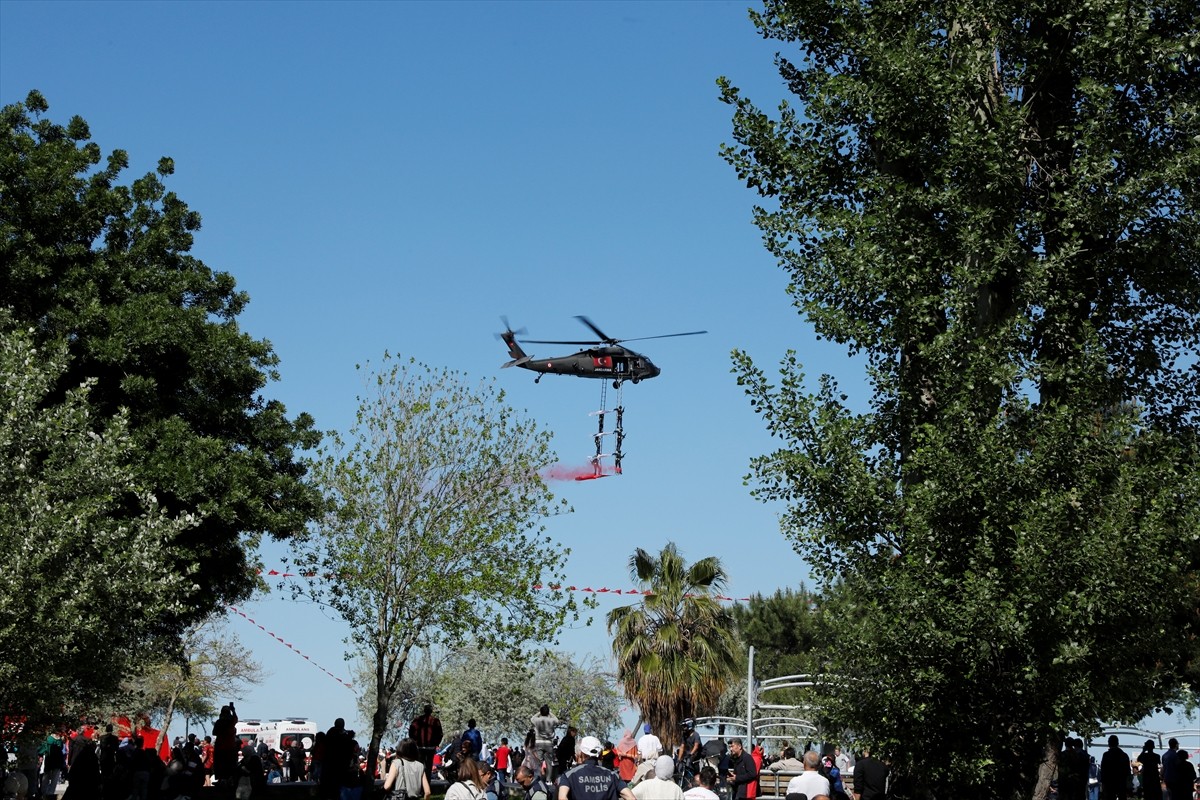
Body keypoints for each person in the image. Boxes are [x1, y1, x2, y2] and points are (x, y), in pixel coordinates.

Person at [558, 736, 636, 800]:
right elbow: (631, 798)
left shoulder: (569, 775)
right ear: (600, 754)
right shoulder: (612, 775)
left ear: (581, 753)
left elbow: (562, 797)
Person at [410, 705, 444, 779]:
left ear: (424, 710)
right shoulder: (435, 721)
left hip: (420, 747)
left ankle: (419, 782)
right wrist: (436, 743)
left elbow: (411, 731)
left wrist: (414, 742)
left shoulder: (417, 720)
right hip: (430, 747)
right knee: (428, 767)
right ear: (431, 711)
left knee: (419, 765)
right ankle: (427, 782)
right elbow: (440, 734)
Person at [212, 704, 240, 788]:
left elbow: (214, 732)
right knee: (230, 764)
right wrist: (233, 710)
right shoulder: (231, 722)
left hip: (221, 747)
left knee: (220, 764)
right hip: (230, 747)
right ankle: (228, 779)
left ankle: (221, 779)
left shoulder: (219, 722)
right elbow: (235, 718)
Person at [532, 706, 560, 779]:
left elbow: (532, 718)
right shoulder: (551, 720)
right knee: (549, 762)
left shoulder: (537, 720)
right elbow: (557, 720)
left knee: (538, 762)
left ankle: (539, 778)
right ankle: (548, 779)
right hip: (548, 742)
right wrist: (550, 713)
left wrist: (539, 713)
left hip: (539, 742)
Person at [1100, 735, 1131, 800]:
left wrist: (1103, 783)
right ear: (1117, 743)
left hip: (1109, 782)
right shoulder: (1124, 755)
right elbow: (1127, 770)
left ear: (1109, 743)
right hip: (1121, 782)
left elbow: (1103, 770)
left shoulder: (1106, 755)